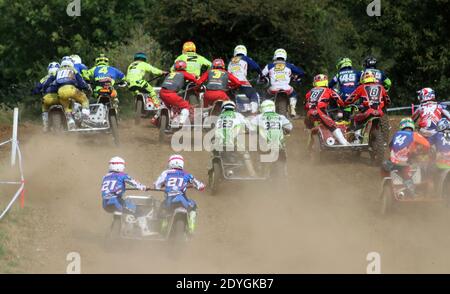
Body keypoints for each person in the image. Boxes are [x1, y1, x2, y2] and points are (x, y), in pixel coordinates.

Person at [101, 157, 155, 237]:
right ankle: (145, 231)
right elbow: (134, 183)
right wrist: (144, 188)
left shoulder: (105, 177)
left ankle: (112, 230)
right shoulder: (122, 175)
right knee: (139, 210)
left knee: (121, 211)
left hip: (105, 203)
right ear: (120, 166)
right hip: (117, 200)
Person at [154, 155, 205, 234]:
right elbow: (200, 186)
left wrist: (164, 185)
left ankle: (163, 226)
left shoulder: (166, 173)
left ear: (170, 163)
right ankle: (191, 227)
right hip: (183, 200)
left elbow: (157, 185)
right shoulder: (187, 174)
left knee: (162, 207)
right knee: (193, 205)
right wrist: (199, 186)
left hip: (169, 200)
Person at [385, 118, 430, 196]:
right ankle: (412, 192)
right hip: (405, 164)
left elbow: (390, 146)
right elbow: (427, 145)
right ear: (412, 126)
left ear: (401, 126)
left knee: (384, 165)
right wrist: (422, 152)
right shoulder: (414, 134)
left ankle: (386, 183)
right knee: (409, 171)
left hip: (392, 163)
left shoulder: (396, 133)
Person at [305, 74, 350, 145]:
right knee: (333, 127)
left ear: (315, 82)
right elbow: (338, 99)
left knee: (309, 128)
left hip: (309, 113)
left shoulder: (310, 91)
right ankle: (345, 144)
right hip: (319, 111)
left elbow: (305, 103)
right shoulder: (328, 90)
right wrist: (343, 105)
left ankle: (308, 145)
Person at [213, 101, 256, 176]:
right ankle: (252, 174)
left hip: (219, 143)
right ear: (233, 108)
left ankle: (228, 169)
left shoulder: (219, 117)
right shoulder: (238, 115)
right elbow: (250, 126)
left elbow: (215, 130)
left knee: (217, 153)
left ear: (223, 108)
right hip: (234, 143)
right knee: (246, 154)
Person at [250, 100, 292, 175]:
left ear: (262, 108)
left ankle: (258, 170)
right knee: (283, 159)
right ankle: (285, 175)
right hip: (279, 147)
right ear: (273, 107)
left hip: (264, 147)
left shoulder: (258, 118)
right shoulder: (280, 117)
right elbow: (289, 127)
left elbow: (250, 129)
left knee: (253, 148)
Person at [261, 48, 305, 117]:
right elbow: (301, 72)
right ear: (285, 56)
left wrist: (261, 79)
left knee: (265, 96)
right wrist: (297, 77)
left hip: (273, 88)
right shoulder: (289, 65)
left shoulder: (269, 66)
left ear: (275, 56)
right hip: (286, 88)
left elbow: (261, 75)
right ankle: (293, 108)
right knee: (294, 94)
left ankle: (264, 109)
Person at [54, 59, 91, 130]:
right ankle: (85, 119)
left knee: (66, 107)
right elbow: (80, 80)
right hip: (71, 88)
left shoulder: (58, 71)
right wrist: (86, 87)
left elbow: (55, 83)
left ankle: (70, 121)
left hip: (61, 91)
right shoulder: (73, 69)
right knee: (84, 100)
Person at [159, 60, 199, 125]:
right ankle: (181, 122)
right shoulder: (184, 73)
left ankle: (156, 119)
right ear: (184, 67)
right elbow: (195, 80)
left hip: (162, 92)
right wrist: (198, 83)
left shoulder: (171, 73)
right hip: (171, 94)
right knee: (186, 106)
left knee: (168, 106)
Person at [227, 45, 262, 114]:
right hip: (241, 80)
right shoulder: (245, 58)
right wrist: (261, 74)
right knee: (252, 94)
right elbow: (256, 66)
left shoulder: (231, 60)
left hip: (230, 82)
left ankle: (231, 110)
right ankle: (253, 111)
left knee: (229, 96)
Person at [32, 62, 60, 132]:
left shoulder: (44, 78)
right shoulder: (60, 76)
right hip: (60, 98)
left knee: (44, 109)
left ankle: (45, 126)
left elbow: (37, 88)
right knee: (68, 106)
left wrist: (35, 92)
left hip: (47, 98)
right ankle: (71, 121)